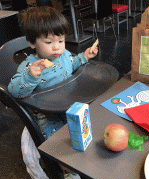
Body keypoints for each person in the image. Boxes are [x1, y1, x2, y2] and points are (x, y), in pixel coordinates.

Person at [8, 6, 98, 140]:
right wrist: (30, 77)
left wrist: (84, 57)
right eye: (49, 42)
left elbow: (72, 63)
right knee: (57, 141)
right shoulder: (29, 66)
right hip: (48, 113)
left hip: (71, 101)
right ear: (32, 43)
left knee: (90, 127)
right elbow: (14, 91)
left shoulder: (64, 55)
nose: (57, 47)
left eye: (61, 41)